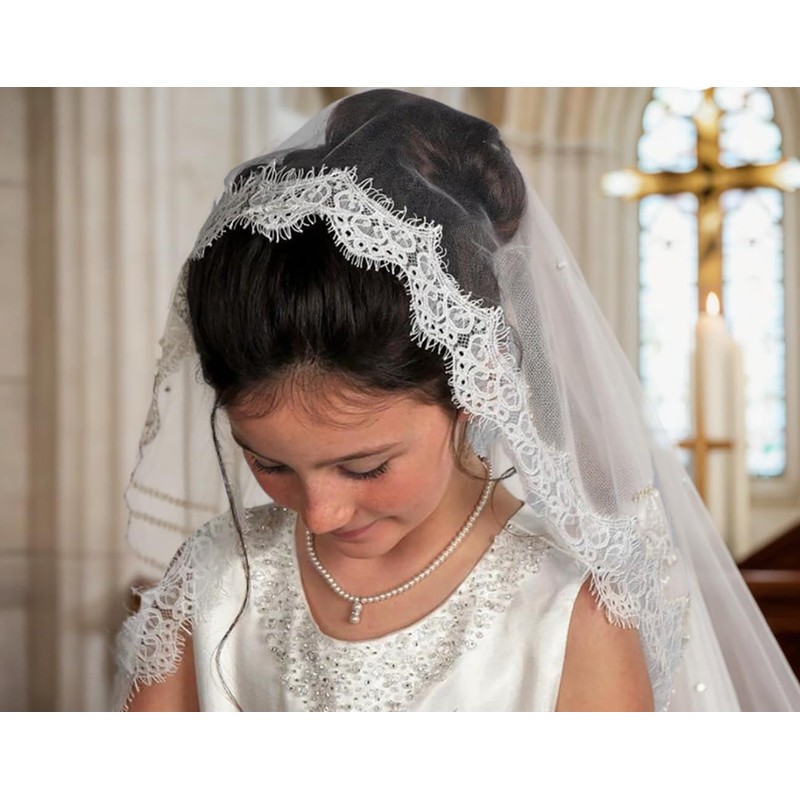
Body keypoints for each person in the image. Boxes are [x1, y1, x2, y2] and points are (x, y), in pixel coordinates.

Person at [114, 89, 800, 712]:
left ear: (475, 384)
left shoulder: (571, 615)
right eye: (268, 463)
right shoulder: (213, 581)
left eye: (364, 466)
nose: (321, 513)